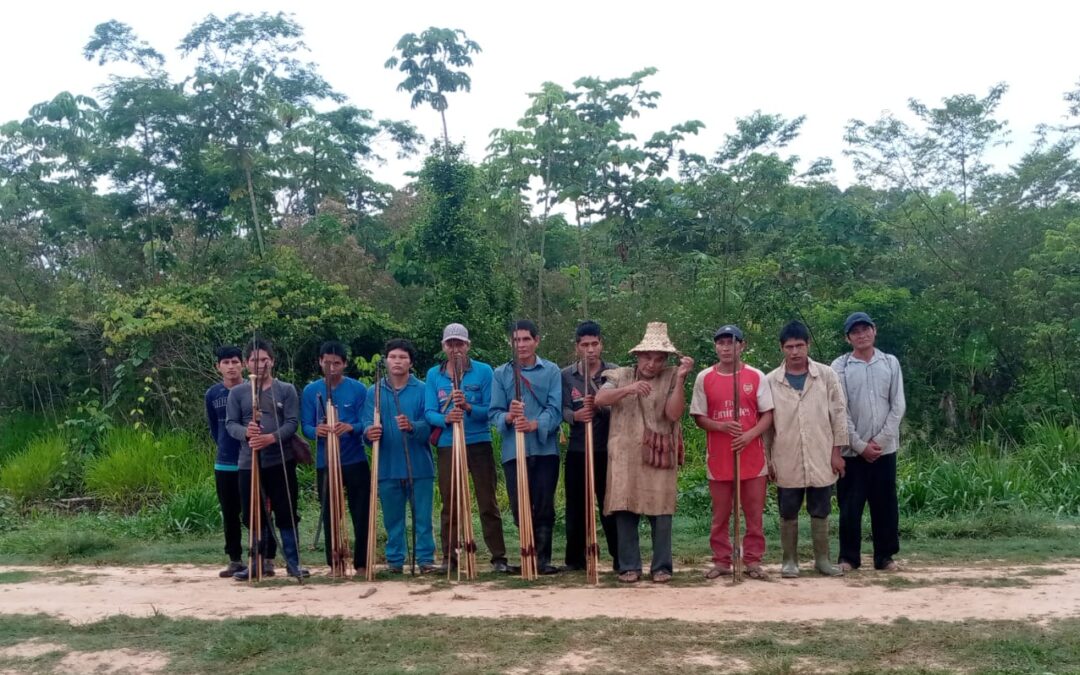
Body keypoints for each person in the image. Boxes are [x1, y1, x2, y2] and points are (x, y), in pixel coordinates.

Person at [594, 322, 694, 584]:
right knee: (625, 508)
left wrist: (682, 377)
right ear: (638, 356)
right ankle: (629, 566)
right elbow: (599, 400)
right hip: (625, 455)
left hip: (659, 454)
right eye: (648, 357)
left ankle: (662, 566)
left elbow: (673, 414)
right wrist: (629, 389)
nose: (652, 364)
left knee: (661, 510)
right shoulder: (619, 374)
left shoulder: (672, 376)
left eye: (659, 358)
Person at [764, 321, 847, 579]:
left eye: (800, 345)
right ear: (782, 348)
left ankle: (823, 559)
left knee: (820, 507)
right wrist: (768, 459)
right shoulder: (770, 381)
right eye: (789, 347)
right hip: (785, 455)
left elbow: (839, 414)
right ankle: (789, 560)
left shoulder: (826, 375)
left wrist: (837, 452)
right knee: (787, 509)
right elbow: (766, 425)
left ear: (808, 345)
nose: (795, 352)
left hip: (821, 452)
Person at [690, 325, 774, 581]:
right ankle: (721, 560)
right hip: (719, 457)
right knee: (720, 514)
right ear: (715, 346)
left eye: (732, 342)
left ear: (742, 345)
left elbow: (767, 415)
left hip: (752, 457)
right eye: (721, 343)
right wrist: (721, 426)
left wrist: (749, 435)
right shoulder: (705, 377)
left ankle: (753, 560)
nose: (726, 348)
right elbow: (699, 416)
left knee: (754, 514)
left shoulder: (756, 376)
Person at [424, 323, 509, 573]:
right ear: (443, 347)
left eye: (460, 343)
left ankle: (499, 557)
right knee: (450, 504)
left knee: (487, 501)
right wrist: (445, 419)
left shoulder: (483, 372)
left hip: (478, 443)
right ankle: (449, 557)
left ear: (468, 345)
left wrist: (469, 407)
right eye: (450, 344)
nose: (455, 349)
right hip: (448, 445)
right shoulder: (434, 374)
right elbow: (429, 411)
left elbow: (491, 411)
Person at [225, 338, 308, 579]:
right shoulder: (237, 393)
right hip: (248, 463)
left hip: (280, 461)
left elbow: (292, 423)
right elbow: (231, 424)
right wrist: (247, 433)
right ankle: (256, 563)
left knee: (287, 512)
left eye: (264, 359)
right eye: (254, 360)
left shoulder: (286, 389)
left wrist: (270, 438)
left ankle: (293, 563)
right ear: (246, 364)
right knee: (253, 513)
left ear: (271, 361)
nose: (259, 364)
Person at [832, 312, 906, 572]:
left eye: (865, 329)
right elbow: (840, 410)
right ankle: (848, 558)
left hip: (885, 450)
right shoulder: (839, 367)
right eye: (855, 331)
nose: (861, 335)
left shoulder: (890, 362)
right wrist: (861, 445)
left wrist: (881, 441)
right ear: (847, 337)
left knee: (885, 504)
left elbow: (897, 405)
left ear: (874, 331)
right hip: (853, 452)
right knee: (850, 506)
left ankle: (885, 557)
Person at [489, 320, 563, 575]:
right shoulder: (501, 374)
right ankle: (526, 554)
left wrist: (534, 424)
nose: (521, 344)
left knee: (544, 505)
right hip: (513, 451)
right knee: (520, 505)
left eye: (526, 339)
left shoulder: (552, 371)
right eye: (516, 340)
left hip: (545, 450)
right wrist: (509, 416)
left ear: (536, 340)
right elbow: (494, 413)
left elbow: (555, 409)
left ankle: (542, 560)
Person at [364, 339, 437, 574]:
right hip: (387, 466)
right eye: (393, 357)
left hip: (420, 466)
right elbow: (366, 425)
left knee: (423, 518)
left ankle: (425, 559)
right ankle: (395, 560)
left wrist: (413, 426)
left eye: (403, 357)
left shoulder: (424, 389)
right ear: (386, 360)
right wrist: (369, 432)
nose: (397, 361)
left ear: (411, 362)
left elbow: (431, 424)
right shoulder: (373, 392)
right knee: (393, 520)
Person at [205, 345, 276, 578]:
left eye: (235, 362)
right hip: (226, 461)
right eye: (226, 363)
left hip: (253, 459)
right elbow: (216, 428)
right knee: (230, 511)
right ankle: (235, 559)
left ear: (242, 364)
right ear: (218, 367)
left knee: (258, 510)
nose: (231, 367)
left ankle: (265, 557)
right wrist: (227, 444)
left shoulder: (254, 390)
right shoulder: (212, 394)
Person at [300, 340, 370, 574]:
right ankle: (335, 563)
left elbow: (365, 423)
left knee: (361, 513)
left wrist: (350, 427)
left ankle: (361, 563)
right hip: (326, 462)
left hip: (355, 460)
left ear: (345, 364)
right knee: (330, 513)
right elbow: (306, 427)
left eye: (337, 363)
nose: (331, 368)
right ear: (320, 362)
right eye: (327, 363)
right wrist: (316, 431)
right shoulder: (311, 391)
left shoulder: (358, 389)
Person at [560, 320, 619, 572]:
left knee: (610, 506)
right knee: (576, 506)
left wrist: (599, 406)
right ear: (577, 348)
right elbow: (560, 407)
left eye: (595, 344)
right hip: (577, 450)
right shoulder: (565, 375)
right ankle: (575, 560)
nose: (590, 349)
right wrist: (575, 416)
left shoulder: (615, 372)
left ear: (601, 344)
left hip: (607, 450)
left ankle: (620, 558)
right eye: (585, 345)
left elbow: (621, 409)